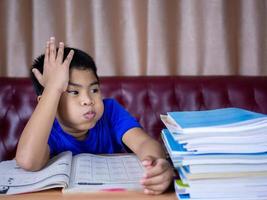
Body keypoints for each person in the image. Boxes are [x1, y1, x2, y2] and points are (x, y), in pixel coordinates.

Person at [15, 37, 173, 195]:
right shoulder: (46, 129)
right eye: (74, 92)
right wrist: (53, 88)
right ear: (48, 102)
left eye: (94, 90)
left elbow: (143, 142)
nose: (88, 100)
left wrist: (157, 163)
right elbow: (28, 161)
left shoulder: (110, 111)